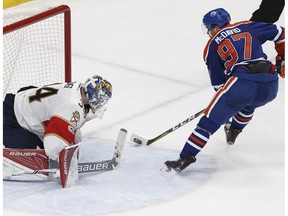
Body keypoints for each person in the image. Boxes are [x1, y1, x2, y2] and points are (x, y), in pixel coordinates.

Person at [164, 8, 285, 173]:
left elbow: (218, 85)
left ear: (214, 27)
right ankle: (234, 130)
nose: (208, 32)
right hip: (271, 84)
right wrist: (282, 56)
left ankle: (185, 157)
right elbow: (281, 33)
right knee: (249, 104)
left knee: (208, 123)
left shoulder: (211, 46)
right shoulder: (247, 26)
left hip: (242, 84)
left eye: (208, 28)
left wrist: (224, 103)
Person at [3, 75, 112, 161]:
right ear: (93, 96)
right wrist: (62, 160)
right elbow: (53, 145)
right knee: (39, 155)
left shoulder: (76, 87)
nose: (101, 104)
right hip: (11, 121)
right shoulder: (72, 106)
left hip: (23, 101)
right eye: (101, 100)